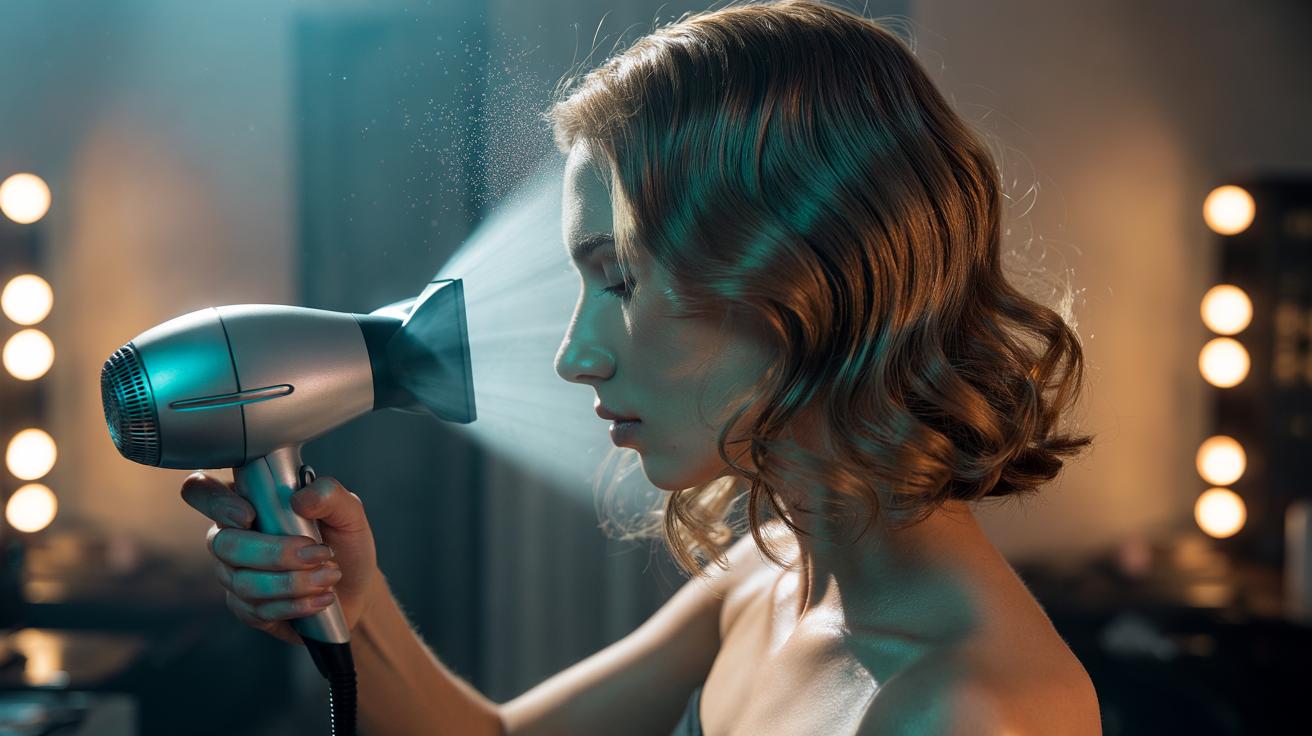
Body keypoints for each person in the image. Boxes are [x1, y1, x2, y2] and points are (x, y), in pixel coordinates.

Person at [181, 1, 1102, 733]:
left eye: (619, 278)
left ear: (805, 269)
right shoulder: (767, 578)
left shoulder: (972, 712)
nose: (574, 358)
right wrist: (358, 601)